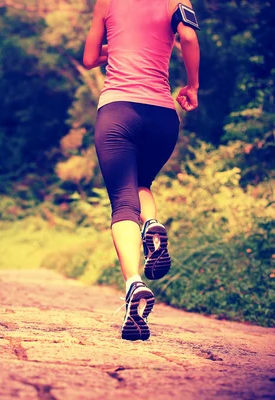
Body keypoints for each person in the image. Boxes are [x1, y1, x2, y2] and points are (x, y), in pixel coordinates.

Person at [83, 0, 200, 340]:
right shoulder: (177, 0)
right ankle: (152, 225)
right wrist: (192, 86)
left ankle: (134, 283)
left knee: (122, 202)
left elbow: (90, 59)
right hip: (162, 117)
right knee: (142, 183)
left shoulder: (105, 3)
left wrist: (117, 48)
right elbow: (189, 38)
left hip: (117, 112)